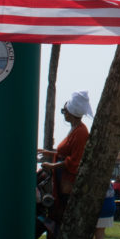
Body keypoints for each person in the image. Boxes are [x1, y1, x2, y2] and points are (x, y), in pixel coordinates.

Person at [38, 91, 92, 228]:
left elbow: (74, 161)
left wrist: (52, 166)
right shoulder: (75, 130)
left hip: (67, 181)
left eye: (64, 111)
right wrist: (48, 153)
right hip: (61, 178)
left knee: (61, 210)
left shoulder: (81, 132)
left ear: (71, 113)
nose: (64, 114)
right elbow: (64, 152)